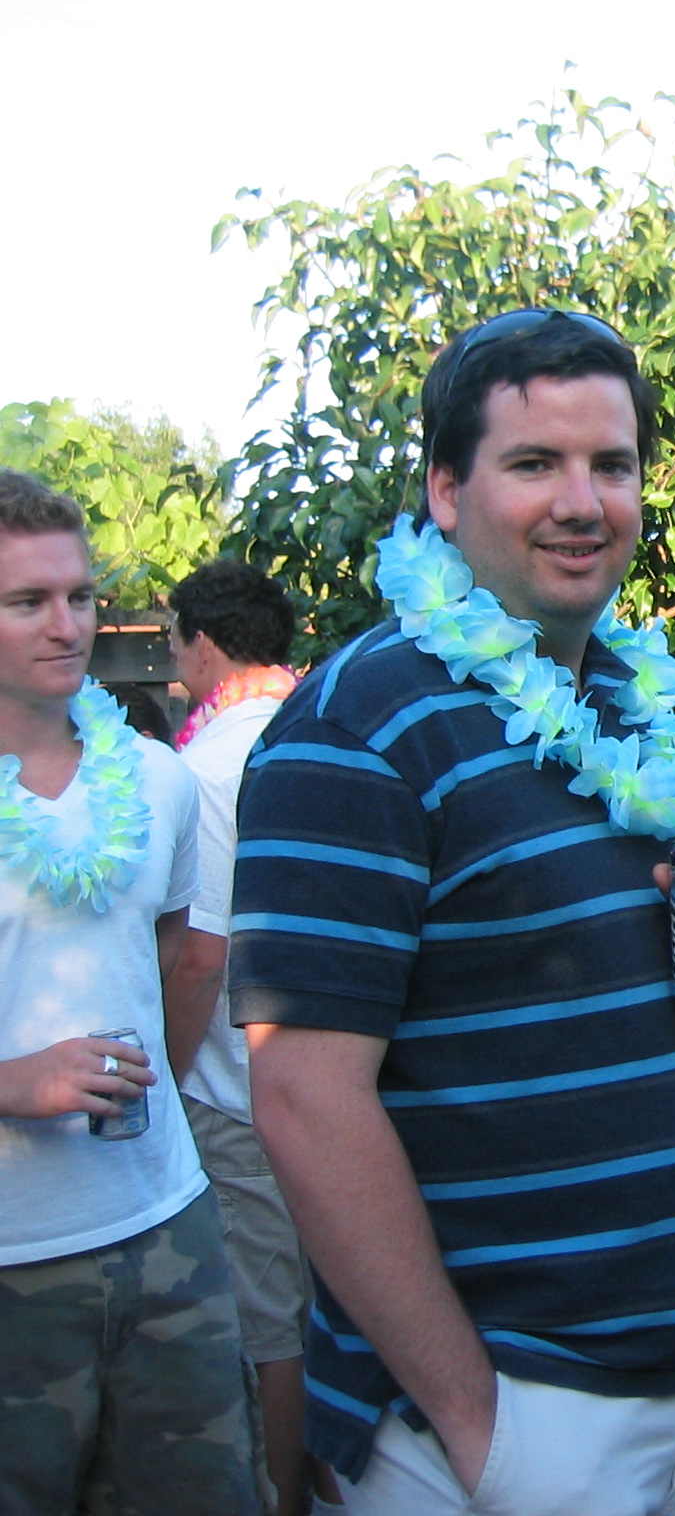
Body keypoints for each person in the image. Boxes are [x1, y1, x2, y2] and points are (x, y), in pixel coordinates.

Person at [229, 310, 675, 1516]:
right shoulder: (359, 726)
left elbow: (572, 1018)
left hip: (670, 1391)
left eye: (612, 465)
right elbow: (301, 1095)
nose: (583, 503)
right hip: (499, 1414)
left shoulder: (623, 703)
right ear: (446, 491)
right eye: (535, 463)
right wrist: (474, 1423)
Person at [0, 471, 262, 1516]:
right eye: (27, 601)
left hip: (166, 1225)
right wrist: (12, 1081)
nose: (66, 625)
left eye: (79, 596)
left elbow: (177, 956)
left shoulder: (158, 778)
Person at [161, 558, 310, 1513]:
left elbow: (200, 957)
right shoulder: (325, 731)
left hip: (236, 1091)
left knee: (269, 1329)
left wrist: (166, 1086)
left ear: (204, 645)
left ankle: (284, 1497)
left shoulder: (207, 768)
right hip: (343, 1085)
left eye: (174, 642)